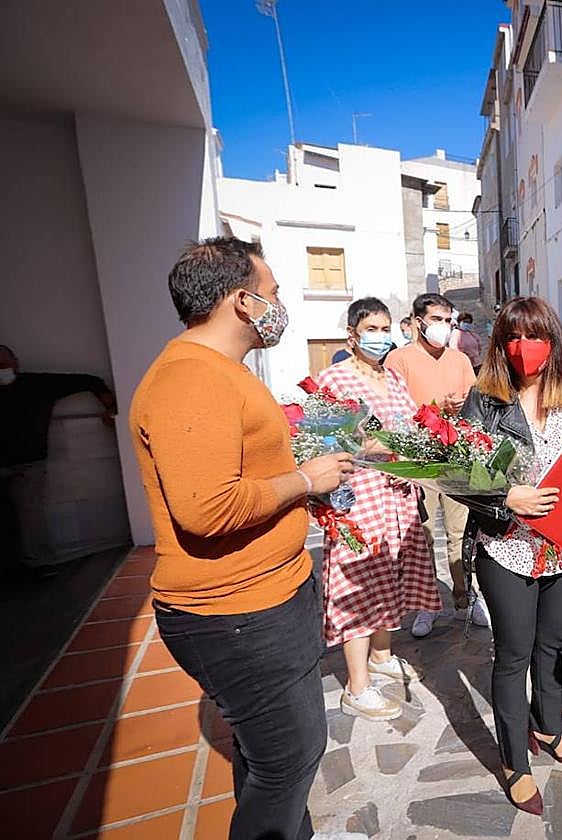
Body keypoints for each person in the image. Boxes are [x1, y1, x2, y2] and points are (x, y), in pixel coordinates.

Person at [130, 237, 355, 839]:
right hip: (236, 612)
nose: (281, 304)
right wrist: (305, 480)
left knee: (267, 759)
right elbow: (207, 508)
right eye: (274, 292)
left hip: (266, 596)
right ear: (243, 301)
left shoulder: (218, 372)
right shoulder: (190, 380)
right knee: (290, 759)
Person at [459, 296, 562, 815]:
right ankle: (515, 762)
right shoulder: (484, 400)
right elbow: (456, 475)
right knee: (514, 654)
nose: (525, 348)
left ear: (553, 343)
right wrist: (505, 497)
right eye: (513, 337)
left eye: (535, 337)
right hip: (508, 550)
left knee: (553, 646)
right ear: (501, 344)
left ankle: (550, 726)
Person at [314, 297, 443, 721]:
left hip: (397, 494)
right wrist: (383, 444)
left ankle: (382, 655)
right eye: (371, 328)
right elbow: (328, 440)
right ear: (352, 334)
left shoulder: (392, 378)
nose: (380, 336)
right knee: (360, 583)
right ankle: (357, 685)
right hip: (358, 496)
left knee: (392, 573)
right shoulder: (334, 380)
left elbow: (408, 427)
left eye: (385, 327)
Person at [385, 292, 487, 636]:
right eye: (438, 320)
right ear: (418, 322)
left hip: (454, 458)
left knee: (460, 534)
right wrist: (431, 410)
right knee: (424, 536)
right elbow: (392, 414)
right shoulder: (398, 360)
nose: (445, 327)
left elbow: (473, 405)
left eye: (448, 321)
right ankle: (426, 606)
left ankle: (465, 600)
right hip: (419, 460)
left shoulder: (459, 360)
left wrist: (461, 409)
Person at [0, 344, 117, 572]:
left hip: (29, 462)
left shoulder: (37, 385)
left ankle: (39, 563)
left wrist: (110, 407)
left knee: (30, 513)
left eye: (3, 365)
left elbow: (90, 381)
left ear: (16, 363)